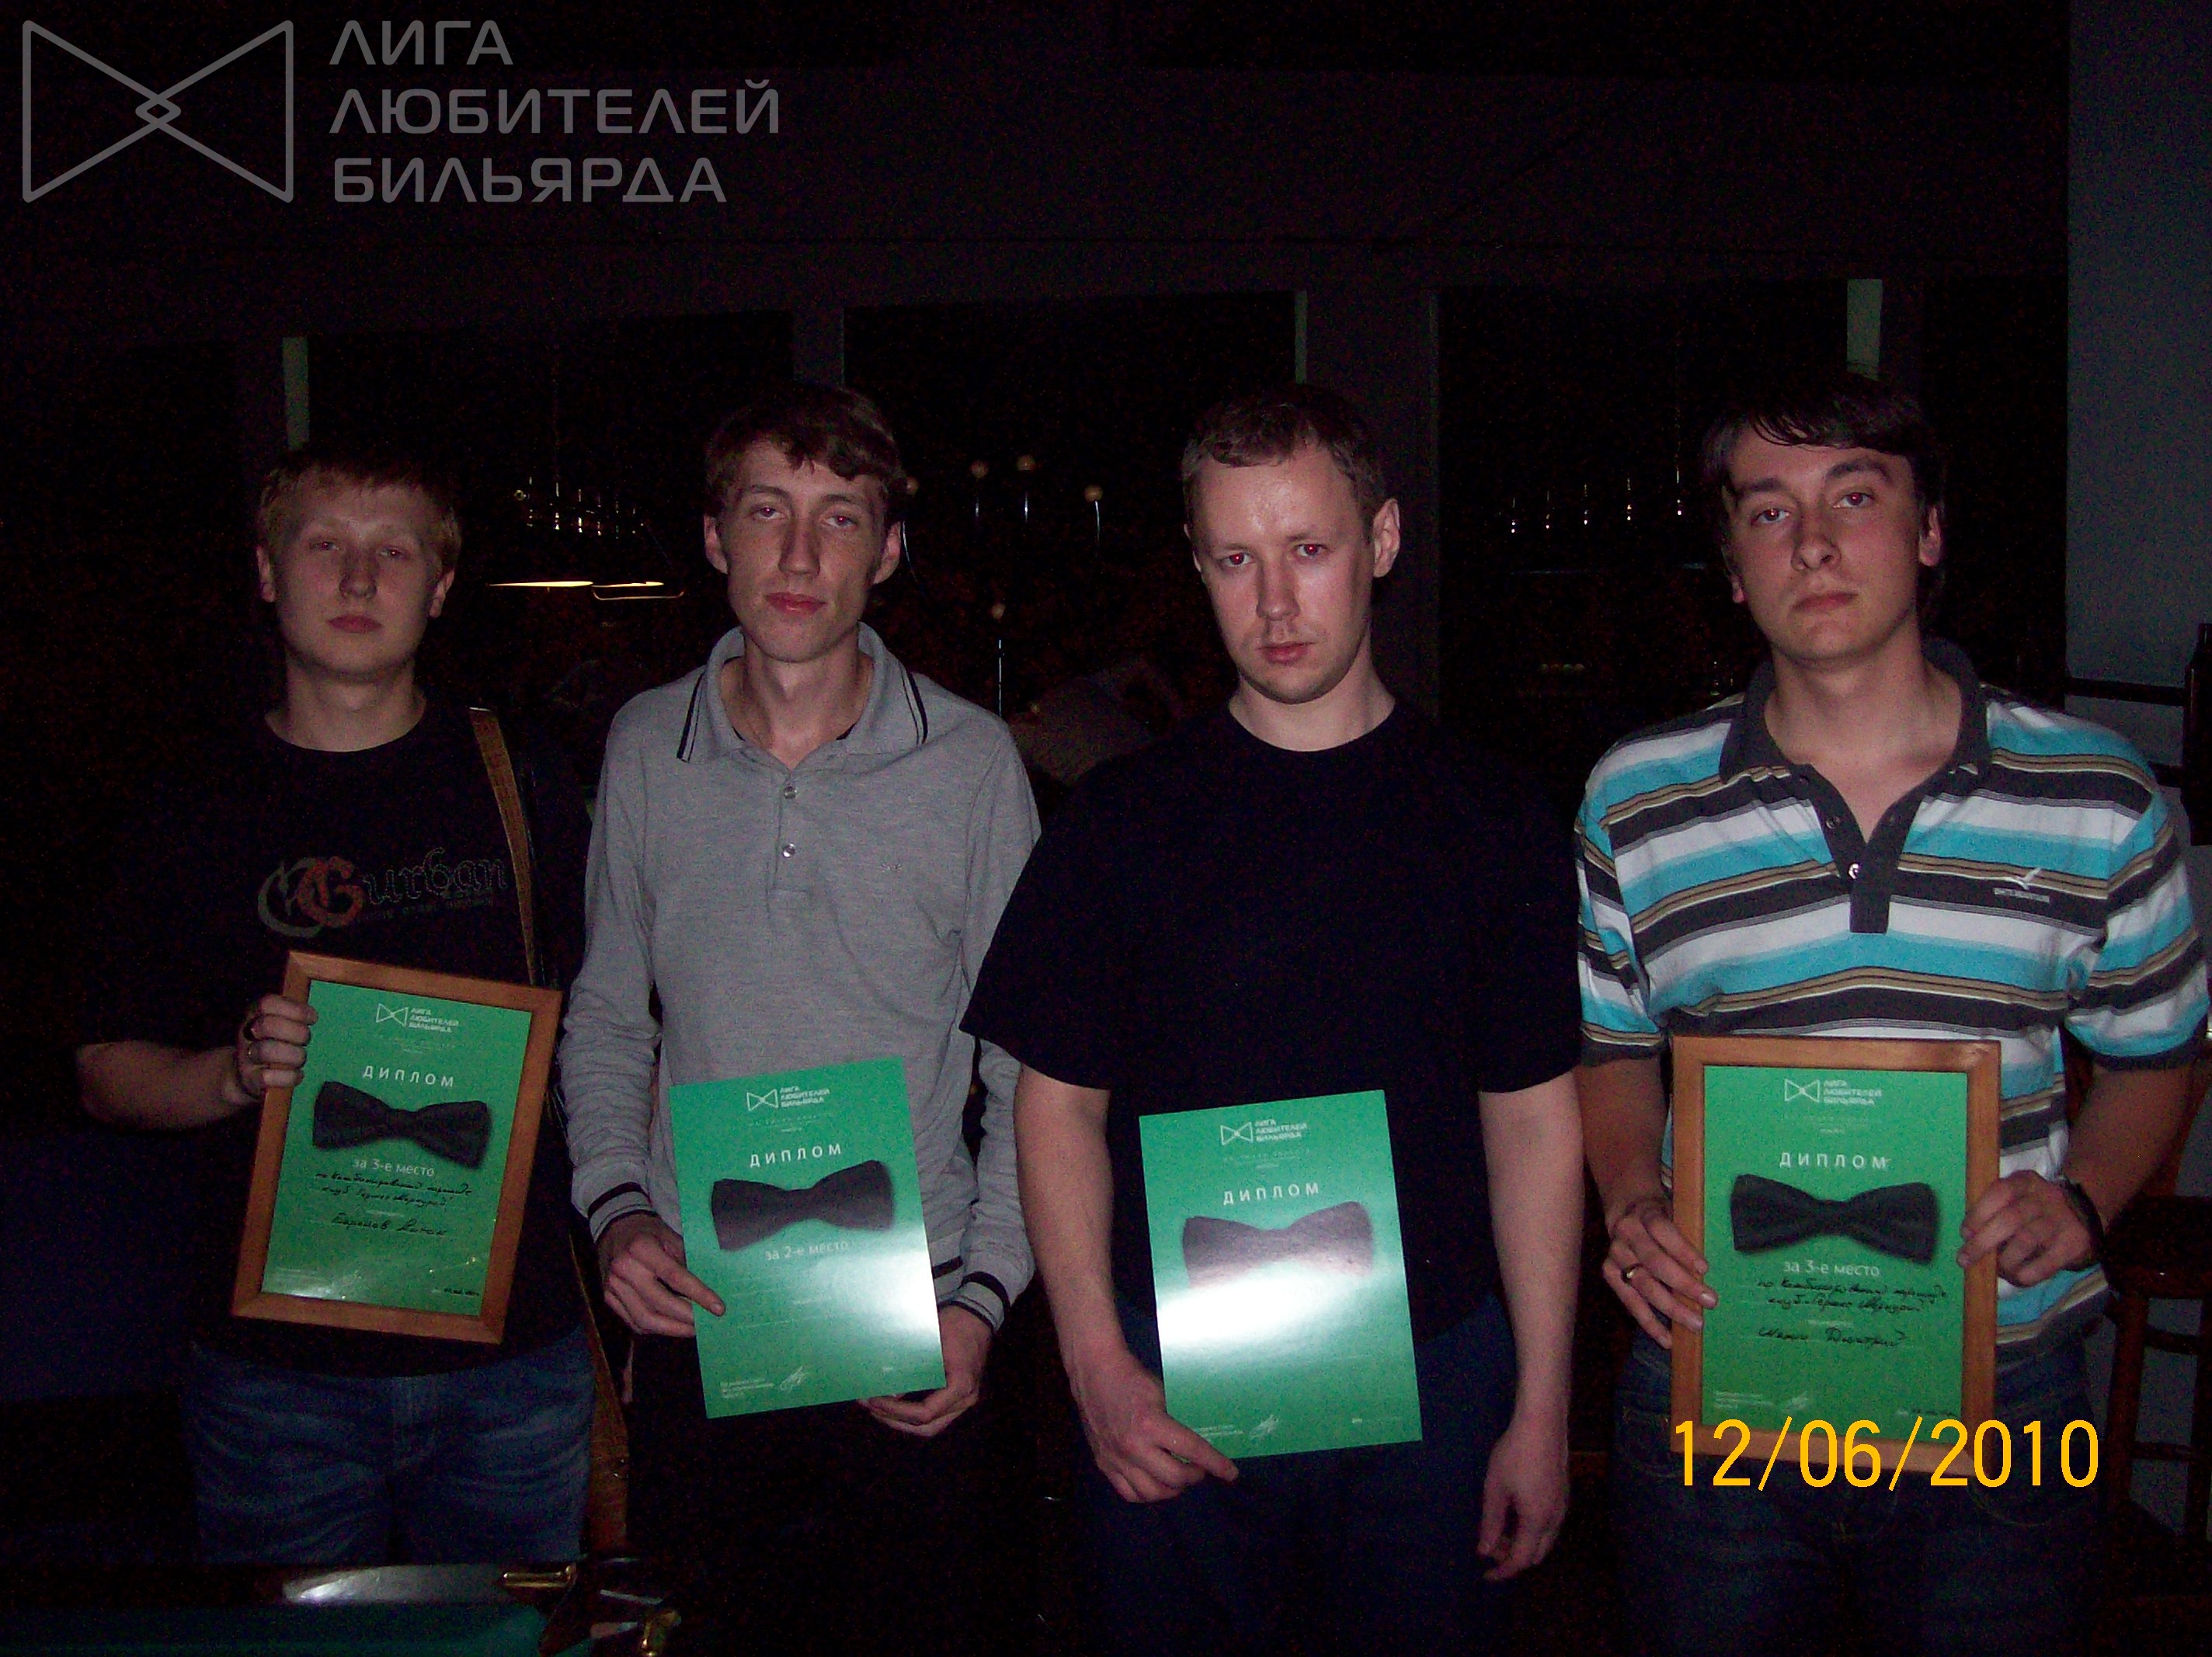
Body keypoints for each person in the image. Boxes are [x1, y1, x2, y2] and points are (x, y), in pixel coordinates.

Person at [1577, 369, 2207, 1654]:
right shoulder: (1635, 798)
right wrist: (1633, 1199)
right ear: (1733, 566)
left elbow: (2159, 1056)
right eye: (1768, 511)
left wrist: (2085, 1198)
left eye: (1854, 497)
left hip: (2005, 1390)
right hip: (1717, 1370)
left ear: (1928, 531)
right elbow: (1611, 1049)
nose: (1812, 542)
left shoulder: (2098, 794)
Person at [963, 384, 1586, 1654]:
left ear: (1383, 540)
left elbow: (1532, 1123)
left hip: (1437, 1374)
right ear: (1198, 567)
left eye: (1309, 548)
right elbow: (1055, 1107)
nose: (1277, 602)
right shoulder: (1118, 824)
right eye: (1237, 560)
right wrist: (1092, 1364)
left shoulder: (1498, 817)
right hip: (1172, 1382)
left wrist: (1542, 1402)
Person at [558, 382, 1038, 1656]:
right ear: (715, 536)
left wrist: (985, 1302)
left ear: (889, 550)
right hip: (701, 1312)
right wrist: (616, 1210)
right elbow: (608, 1014)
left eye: (841, 517)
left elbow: (1029, 1071)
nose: (800, 553)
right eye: (768, 510)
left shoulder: (973, 763)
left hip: (918, 1314)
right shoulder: (645, 745)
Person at [75, 443, 596, 1565]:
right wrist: (228, 1075)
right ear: (268, 572)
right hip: (277, 1381)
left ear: (440, 586)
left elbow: (612, 1027)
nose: (359, 580)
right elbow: (106, 1072)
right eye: (325, 546)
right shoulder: (187, 805)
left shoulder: (523, 776)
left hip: (513, 1359)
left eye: (393, 552)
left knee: (507, 1642)